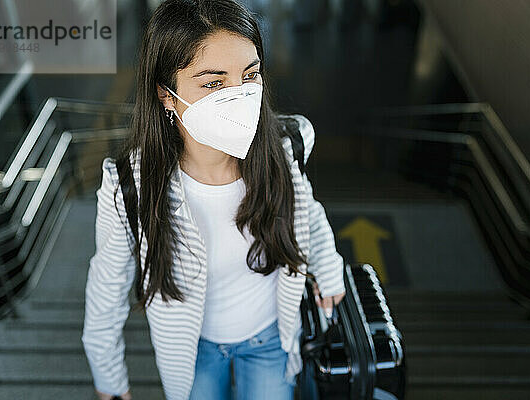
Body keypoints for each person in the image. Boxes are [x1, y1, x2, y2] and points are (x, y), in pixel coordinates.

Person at [81, 1, 346, 399]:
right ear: (166, 95)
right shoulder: (131, 187)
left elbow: (306, 211)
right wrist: (109, 381)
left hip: (270, 337)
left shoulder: (281, 149)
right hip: (193, 351)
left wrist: (327, 266)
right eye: (213, 82)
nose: (240, 97)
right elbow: (107, 289)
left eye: (250, 75)